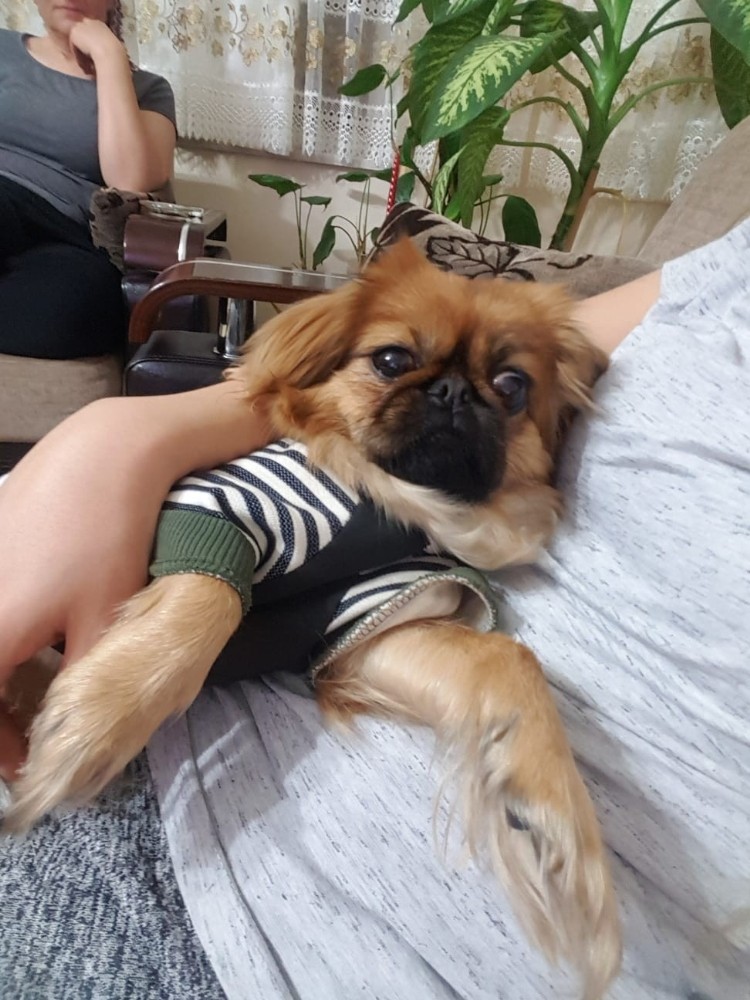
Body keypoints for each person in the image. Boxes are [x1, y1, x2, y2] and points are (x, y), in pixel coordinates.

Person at [0, 223, 747, 1000]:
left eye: (508, 388)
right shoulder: (310, 475)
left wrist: (506, 697)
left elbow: (360, 632)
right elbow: (213, 515)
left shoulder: (435, 551)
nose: (453, 397)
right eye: (393, 362)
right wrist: (173, 587)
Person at [0, 0, 176, 359]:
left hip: (69, 235)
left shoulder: (149, 90)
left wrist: (109, 57)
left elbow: (129, 178)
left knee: (78, 310)